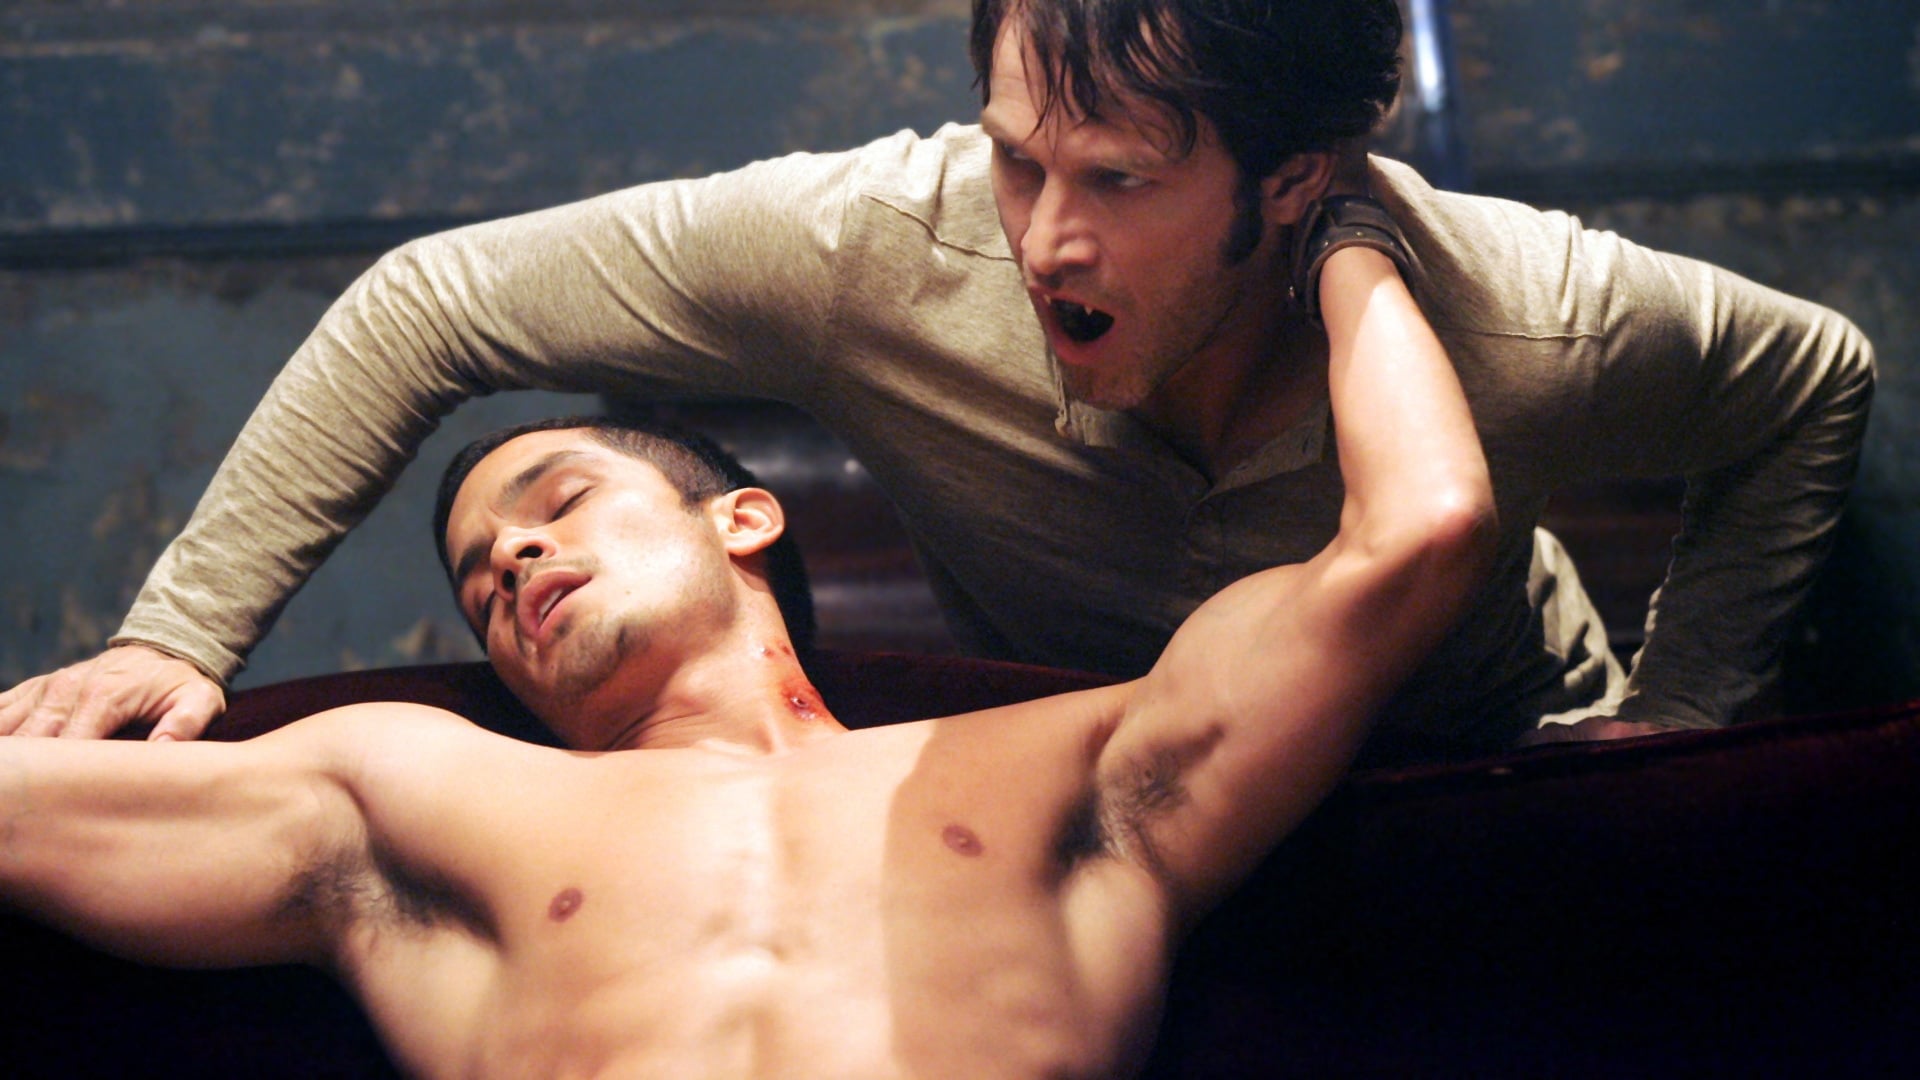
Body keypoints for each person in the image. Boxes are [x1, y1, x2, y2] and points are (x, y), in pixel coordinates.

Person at [0, 1, 1873, 763]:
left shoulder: (1528, 313)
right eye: (1016, 157)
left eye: (1117, 182)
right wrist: (182, 631)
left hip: (1473, 773)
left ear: (1295, 181)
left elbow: (1816, 381)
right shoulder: (870, 244)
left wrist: (1683, 716)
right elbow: (431, 298)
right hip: (1101, 780)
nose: (1045, 237)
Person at [0, 244, 1497, 1077]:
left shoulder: (1075, 757)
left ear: (743, 520)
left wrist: (1336, 238)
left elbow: (1421, 531)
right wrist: (158, 650)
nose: (511, 556)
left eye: (557, 502)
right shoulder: (415, 787)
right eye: (476, 574)